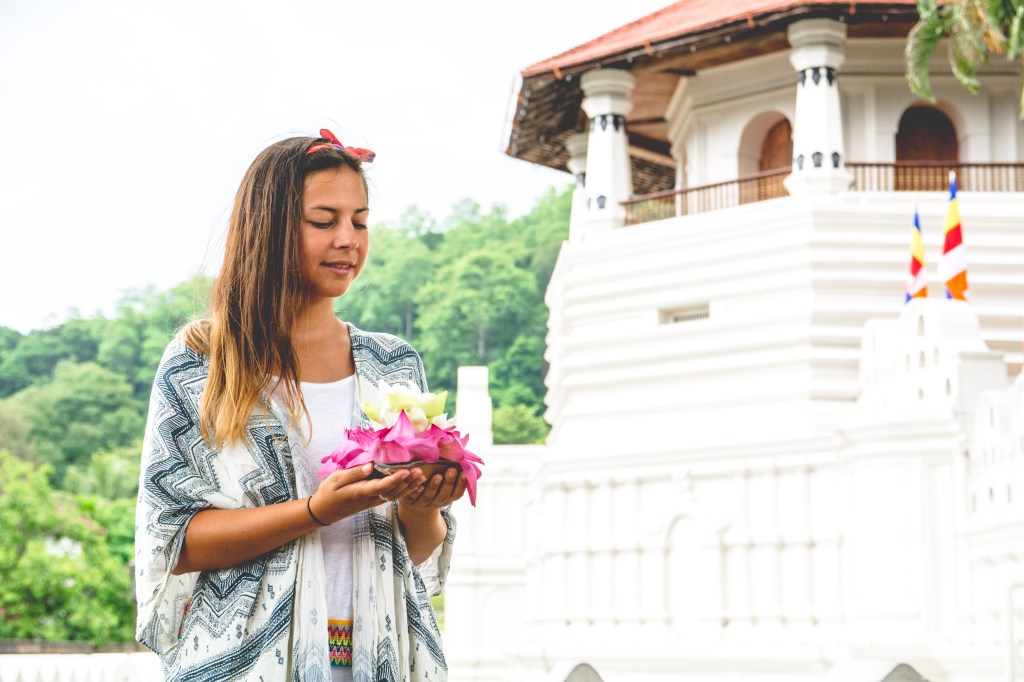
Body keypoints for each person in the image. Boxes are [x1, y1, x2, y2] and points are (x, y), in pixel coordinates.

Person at [134, 129, 467, 681]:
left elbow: (420, 547)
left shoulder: (393, 364)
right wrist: (316, 511)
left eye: (360, 221)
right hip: (243, 662)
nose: (348, 239)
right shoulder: (203, 361)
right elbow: (177, 542)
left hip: (383, 657)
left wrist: (425, 502)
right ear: (269, 228)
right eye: (324, 221)